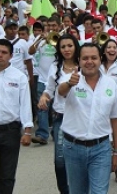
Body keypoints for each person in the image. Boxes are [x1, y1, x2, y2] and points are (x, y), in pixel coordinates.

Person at [58, 43, 117, 194]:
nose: (89, 61)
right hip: (73, 147)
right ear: (79, 60)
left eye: (94, 58)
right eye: (85, 58)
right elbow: (61, 92)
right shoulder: (70, 79)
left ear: (100, 59)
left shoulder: (111, 84)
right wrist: (69, 84)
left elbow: (115, 119)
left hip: (101, 148)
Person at [0, 39, 33, 194]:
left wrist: (28, 131)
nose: (0, 55)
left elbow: (25, 104)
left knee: (7, 176)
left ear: (10, 56)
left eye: (4, 53)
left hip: (10, 131)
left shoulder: (19, 77)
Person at [38, 34, 80, 194]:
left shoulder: (84, 64)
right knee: (60, 161)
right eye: (63, 47)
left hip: (81, 118)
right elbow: (49, 89)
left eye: (70, 46)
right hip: (61, 118)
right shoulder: (55, 66)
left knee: (81, 158)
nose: (67, 49)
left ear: (75, 46)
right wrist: (44, 97)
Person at [29, 16, 61, 145]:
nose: (51, 28)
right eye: (49, 25)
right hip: (42, 79)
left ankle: (56, 132)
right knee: (42, 107)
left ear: (58, 26)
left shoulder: (62, 39)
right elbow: (30, 51)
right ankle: (42, 134)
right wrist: (40, 40)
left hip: (58, 79)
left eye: (54, 25)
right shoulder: (40, 38)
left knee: (57, 108)